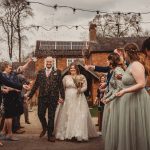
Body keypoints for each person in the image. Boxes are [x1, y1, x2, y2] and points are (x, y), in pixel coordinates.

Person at [114, 43, 150, 150]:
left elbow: (141, 84)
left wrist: (125, 91)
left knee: (137, 128)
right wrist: (122, 78)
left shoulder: (136, 65)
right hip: (130, 99)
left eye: (124, 53)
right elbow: (132, 79)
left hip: (137, 100)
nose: (123, 55)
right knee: (131, 129)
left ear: (127, 53)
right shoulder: (130, 65)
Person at [54, 63, 98, 142]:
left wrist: (80, 90)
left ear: (77, 69)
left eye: (73, 69)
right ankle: (66, 134)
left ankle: (78, 134)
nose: (72, 70)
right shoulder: (66, 77)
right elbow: (62, 88)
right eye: (71, 69)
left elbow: (85, 87)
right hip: (67, 98)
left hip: (79, 97)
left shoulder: (81, 77)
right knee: (67, 115)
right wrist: (61, 97)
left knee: (78, 115)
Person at [27, 56, 65, 142]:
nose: (49, 63)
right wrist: (30, 95)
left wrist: (62, 97)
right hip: (42, 97)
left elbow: (61, 86)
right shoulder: (40, 72)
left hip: (53, 98)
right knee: (40, 114)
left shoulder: (58, 72)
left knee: (51, 116)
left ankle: (50, 135)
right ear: (45, 62)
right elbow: (36, 85)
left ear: (53, 63)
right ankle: (45, 127)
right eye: (47, 62)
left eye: (50, 62)